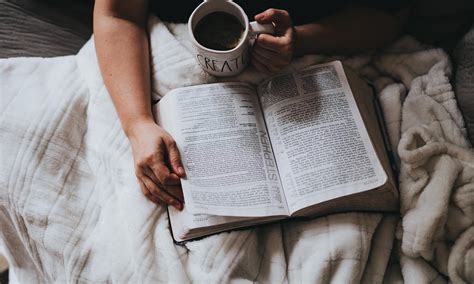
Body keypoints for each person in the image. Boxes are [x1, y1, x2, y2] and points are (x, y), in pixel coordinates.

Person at [93, 0, 410, 210]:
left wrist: (301, 39)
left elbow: (387, 17)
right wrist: (137, 123)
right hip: (154, 72)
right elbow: (116, 13)